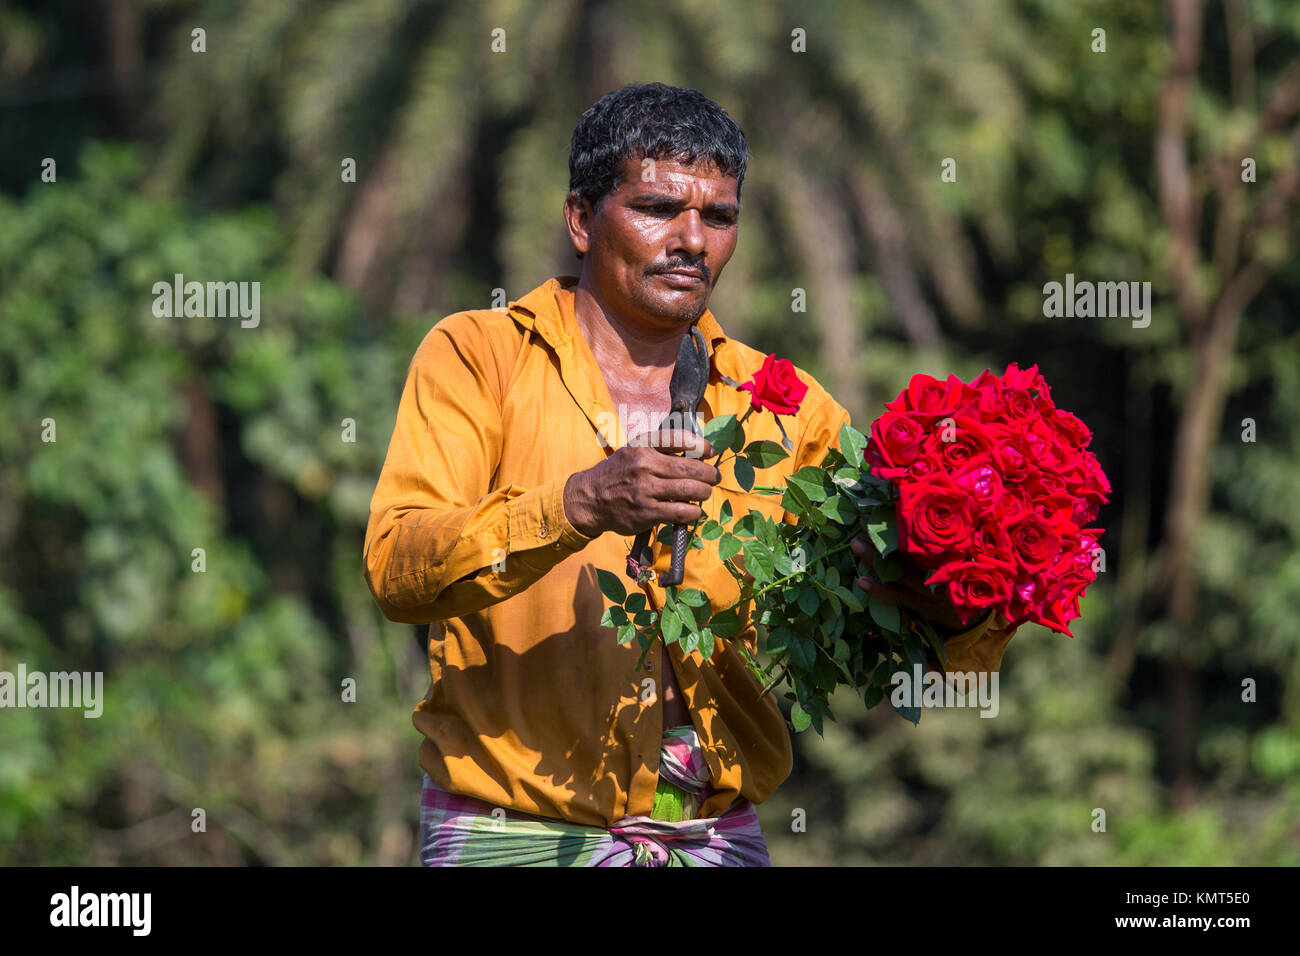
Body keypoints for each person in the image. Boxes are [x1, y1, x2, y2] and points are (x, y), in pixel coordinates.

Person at [362, 82, 1017, 866]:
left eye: (719, 217)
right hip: (514, 833)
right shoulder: (480, 355)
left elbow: (907, 629)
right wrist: (580, 502)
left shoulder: (785, 408)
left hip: (709, 834)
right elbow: (398, 569)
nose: (691, 240)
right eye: (657, 208)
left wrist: (959, 577)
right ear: (580, 219)